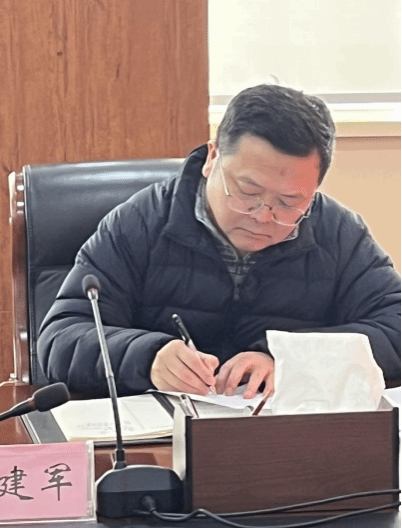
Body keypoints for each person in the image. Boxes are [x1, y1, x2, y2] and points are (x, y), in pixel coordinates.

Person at [37, 84, 401, 399]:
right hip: (160, 441)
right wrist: (148, 357)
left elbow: (394, 324)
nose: (263, 216)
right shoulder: (140, 222)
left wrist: (289, 358)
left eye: (289, 202)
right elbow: (61, 338)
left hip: (286, 439)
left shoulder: (339, 234)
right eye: (248, 191)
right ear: (212, 158)